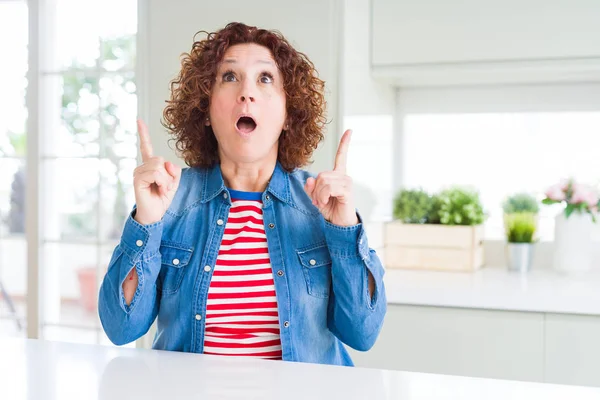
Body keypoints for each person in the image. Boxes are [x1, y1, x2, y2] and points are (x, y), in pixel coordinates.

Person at [98, 22, 386, 366]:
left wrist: (344, 230)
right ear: (205, 110)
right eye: (229, 77)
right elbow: (120, 327)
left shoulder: (321, 205)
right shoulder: (168, 201)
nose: (246, 92)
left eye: (265, 79)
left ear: (287, 115)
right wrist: (145, 222)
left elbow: (363, 333)